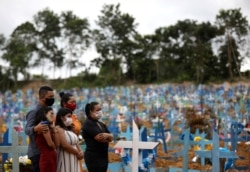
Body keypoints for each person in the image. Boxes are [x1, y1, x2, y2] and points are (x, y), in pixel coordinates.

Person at [25, 86, 55, 172]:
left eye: (53, 97)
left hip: (48, 152)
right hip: (37, 152)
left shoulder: (47, 110)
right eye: (50, 97)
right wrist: (35, 128)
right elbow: (27, 130)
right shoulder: (34, 111)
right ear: (42, 97)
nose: (52, 99)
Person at [82, 102, 114, 172]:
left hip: (103, 155)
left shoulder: (100, 123)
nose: (100, 112)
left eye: (100, 110)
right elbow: (100, 138)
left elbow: (111, 138)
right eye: (97, 110)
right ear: (91, 111)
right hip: (94, 157)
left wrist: (108, 136)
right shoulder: (88, 123)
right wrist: (108, 136)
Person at [55, 107, 83, 172]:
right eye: (69, 116)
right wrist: (77, 152)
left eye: (71, 116)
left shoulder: (70, 129)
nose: (70, 118)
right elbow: (64, 145)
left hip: (74, 159)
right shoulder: (58, 129)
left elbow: (76, 142)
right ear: (61, 117)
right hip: (65, 158)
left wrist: (81, 152)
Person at [34, 107, 60, 172]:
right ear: (45, 114)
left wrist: (54, 129)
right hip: (47, 157)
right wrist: (55, 147)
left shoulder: (48, 126)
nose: (53, 116)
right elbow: (51, 144)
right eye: (51, 114)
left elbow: (57, 144)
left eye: (53, 114)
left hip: (50, 156)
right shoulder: (44, 126)